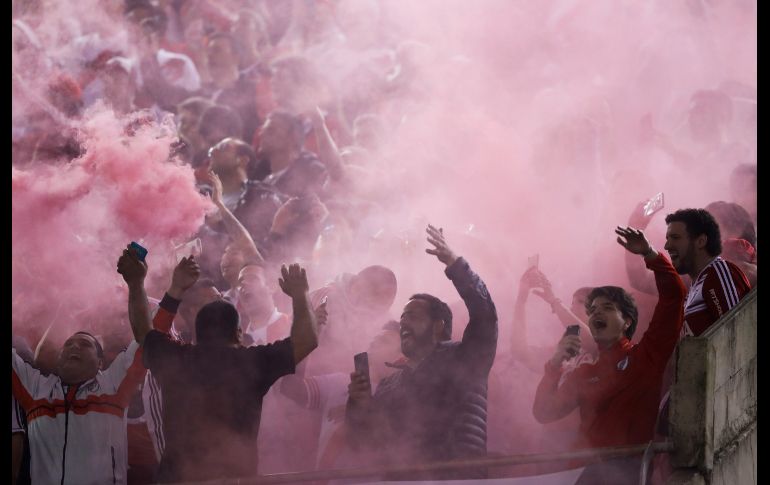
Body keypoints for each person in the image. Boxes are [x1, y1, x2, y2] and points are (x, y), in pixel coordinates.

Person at [140, 254, 319, 482]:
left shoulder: (174, 357)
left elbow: (142, 332)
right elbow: (307, 340)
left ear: (199, 328)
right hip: (233, 479)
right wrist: (300, 295)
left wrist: (141, 283)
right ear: (238, 333)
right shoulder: (252, 362)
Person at [533, 226, 687, 485]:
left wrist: (649, 253)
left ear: (627, 321)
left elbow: (674, 295)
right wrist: (554, 365)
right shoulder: (583, 374)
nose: (596, 314)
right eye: (592, 310)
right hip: (581, 474)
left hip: (625, 473)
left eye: (607, 308)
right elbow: (544, 413)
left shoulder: (646, 356)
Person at [346, 225, 498, 480]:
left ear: (439, 326)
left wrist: (456, 265)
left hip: (458, 479)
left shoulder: (465, 358)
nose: (403, 323)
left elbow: (486, 316)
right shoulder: (389, 384)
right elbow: (364, 444)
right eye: (402, 317)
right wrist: (358, 406)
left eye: (413, 316)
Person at [10, 246, 151, 485]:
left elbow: (146, 341)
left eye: (84, 344)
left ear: (100, 363)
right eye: (69, 344)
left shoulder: (114, 384)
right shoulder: (35, 388)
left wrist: (136, 284)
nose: (74, 347)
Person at [664, 209, 752, 337]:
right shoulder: (696, 286)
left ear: (701, 241)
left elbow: (738, 335)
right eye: (667, 238)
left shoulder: (717, 272)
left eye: (675, 238)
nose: (667, 246)